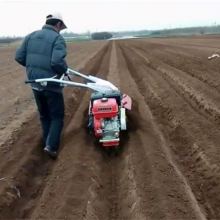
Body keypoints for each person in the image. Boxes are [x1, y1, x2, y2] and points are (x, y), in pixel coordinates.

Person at [15, 12, 68, 159]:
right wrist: (64, 70)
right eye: (61, 27)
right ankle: (51, 146)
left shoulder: (31, 36)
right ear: (58, 25)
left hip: (35, 83)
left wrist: (35, 68)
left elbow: (19, 56)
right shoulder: (57, 38)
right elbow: (57, 62)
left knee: (44, 115)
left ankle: (46, 142)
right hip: (51, 83)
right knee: (57, 115)